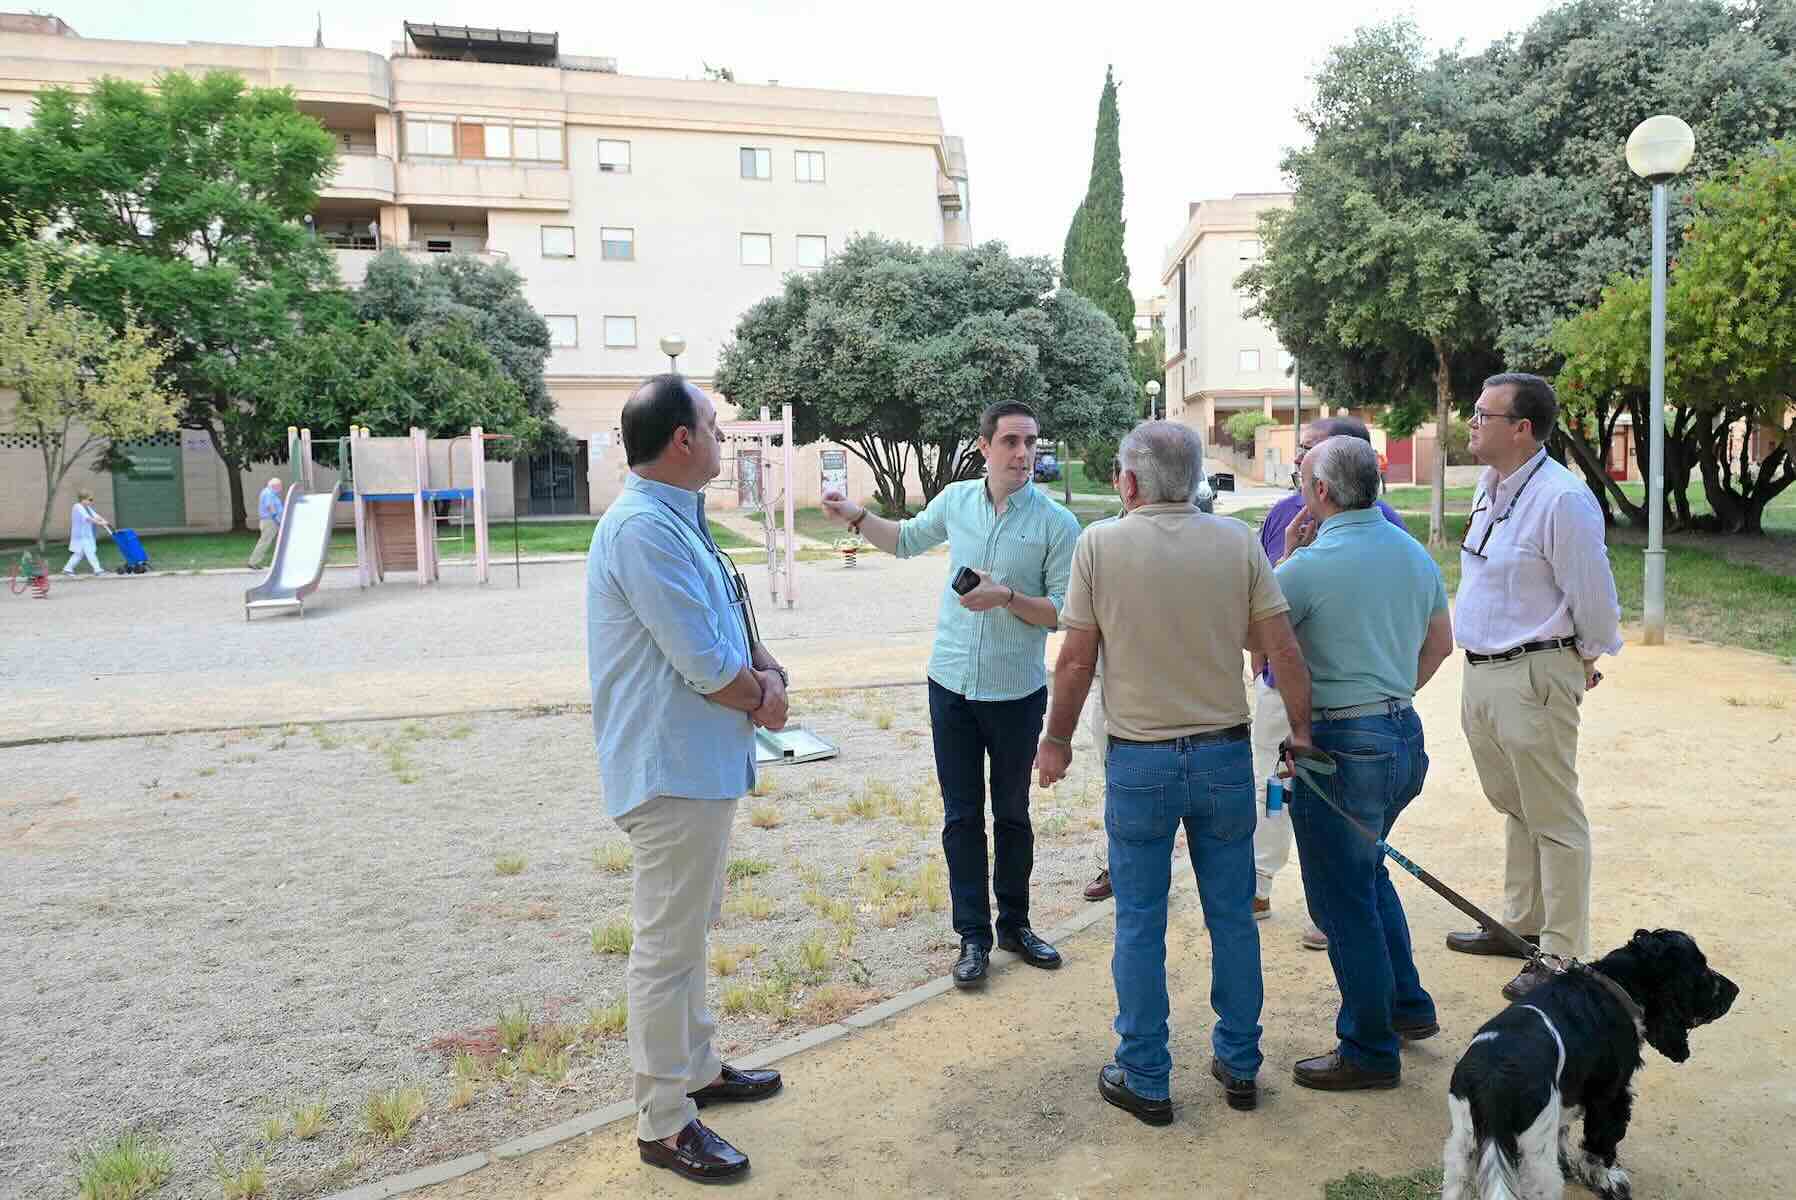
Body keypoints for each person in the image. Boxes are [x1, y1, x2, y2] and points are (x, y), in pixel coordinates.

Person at [1037, 420, 1314, 1125]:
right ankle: (1241, 1063)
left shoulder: (1099, 544)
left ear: (1128, 482)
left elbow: (1074, 660)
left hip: (1141, 759)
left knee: (1139, 919)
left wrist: (1056, 740)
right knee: (1233, 918)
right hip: (1223, 753)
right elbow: (1277, 645)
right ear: (1194, 479)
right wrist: (1303, 731)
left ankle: (1145, 1073)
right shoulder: (1236, 542)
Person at [587, 375, 791, 1184]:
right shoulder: (642, 530)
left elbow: (728, 622)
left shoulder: (679, 519)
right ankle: (664, 1122)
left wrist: (767, 669)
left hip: (697, 765)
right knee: (666, 947)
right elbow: (705, 664)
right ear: (681, 440)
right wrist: (764, 700)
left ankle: (697, 1068)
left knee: (687, 935)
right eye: (712, 425)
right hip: (669, 770)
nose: (721, 436)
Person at [822, 400, 1080, 989]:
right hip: (952, 686)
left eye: (1031, 442)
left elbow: (1063, 613)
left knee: (1012, 814)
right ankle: (973, 937)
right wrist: (856, 516)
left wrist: (1008, 597)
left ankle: (1015, 923)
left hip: (1016, 693)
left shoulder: (1057, 525)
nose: (1022, 453)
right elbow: (907, 540)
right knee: (962, 817)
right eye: (1011, 442)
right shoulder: (956, 502)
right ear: (984, 447)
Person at [1274, 435, 1456, 1091]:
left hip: (1340, 748)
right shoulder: (1413, 554)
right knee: (1366, 872)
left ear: (1321, 492)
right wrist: (1391, 693)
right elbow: (1441, 644)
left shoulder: (1309, 565)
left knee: (1341, 898)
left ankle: (1369, 1049)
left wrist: (1289, 554)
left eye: (1301, 477)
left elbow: (1256, 635)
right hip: (1401, 736)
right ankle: (1407, 1008)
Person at [1449, 373, 1621, 1002]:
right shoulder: (1490, 486)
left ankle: (1560, 954)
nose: (1471, 423)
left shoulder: (1562, 499)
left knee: (1554, 815)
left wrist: (1580, 658)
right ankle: (1519, 925)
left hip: (1534, 671)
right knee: (1512, 801)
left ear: (1521, 428)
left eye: (1481, 414)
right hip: (1484, 670)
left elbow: (1595, 599)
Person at [1251, 416, 1407, 951]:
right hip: (1283, 694)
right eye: (1300, 450)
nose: (1299, 460)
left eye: (1310, 451)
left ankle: (1333, 909)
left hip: (1344, 710)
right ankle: (1261, 880)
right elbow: (1267, 598)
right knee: (1274, 789)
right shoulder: (1281, 515)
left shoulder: (1386, 526)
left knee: (1347, 816)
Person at [62, 490, 111, 576]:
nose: (91, 502)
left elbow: (96, 516)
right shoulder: (77, 507)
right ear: (83, 499)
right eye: (90, 499)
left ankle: (67, 569)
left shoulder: (87, 507)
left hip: (86, 534)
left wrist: (104, 521)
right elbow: (88, 518)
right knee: (90, 551)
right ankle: (98, 570)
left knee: (79, 553)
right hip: (81, 535)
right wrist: (100, 523)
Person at [248, 477, 284, 570]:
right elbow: (270, 506)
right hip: (270, 521)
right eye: (280, 486)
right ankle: (253, 562)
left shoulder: (270, 493)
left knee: (268, 541)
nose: (281, 488)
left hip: (271, 521)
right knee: (264, 542)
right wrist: (276, 517)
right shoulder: (268, 493)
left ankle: (255, 561)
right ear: (275, 486)